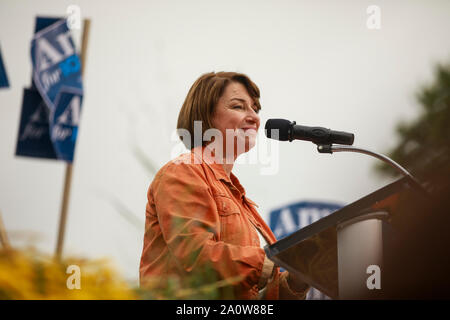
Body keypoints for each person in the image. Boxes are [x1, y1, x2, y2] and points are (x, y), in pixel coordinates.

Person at [139, 71, 310, 299]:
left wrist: (300, 276)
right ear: (207, 117)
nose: (254, 117)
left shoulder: (241, 200)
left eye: (255, 109)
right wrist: (269, 262)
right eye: (239, 107)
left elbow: (250, 290)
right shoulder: (183, 171)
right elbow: (196, 257)